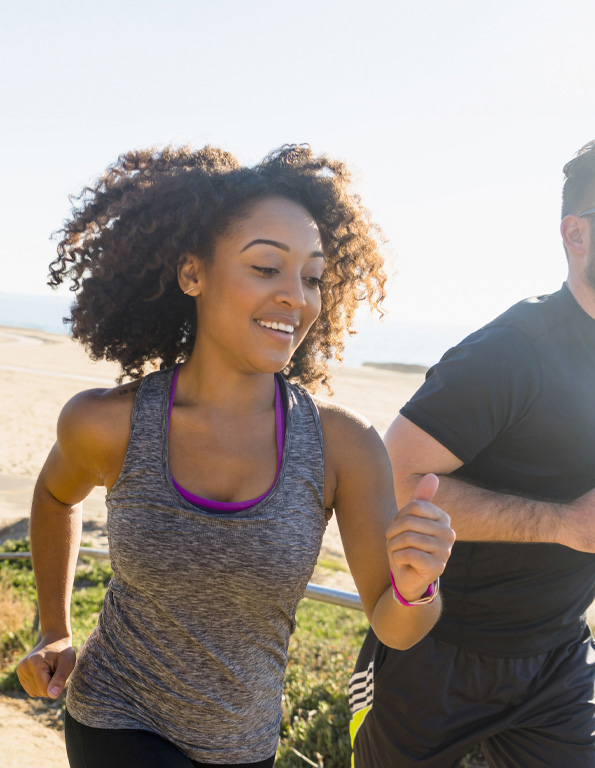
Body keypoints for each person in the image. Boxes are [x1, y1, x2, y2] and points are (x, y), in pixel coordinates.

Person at [16, 144, 455, 768]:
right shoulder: (107, 423)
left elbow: (394, 625)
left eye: (311, 277)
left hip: (243, 746)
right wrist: (55, 626)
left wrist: (418, 585)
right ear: (192, 274)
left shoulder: (343, 445)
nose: (296, 298)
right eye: (266, 268)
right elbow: (55, 495)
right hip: (116, 716)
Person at [349, 125, 595, 767]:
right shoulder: (511, 350)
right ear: (577, 234)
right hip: (434, 647)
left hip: (558, 658)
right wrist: (566, 525)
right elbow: (396, 479)